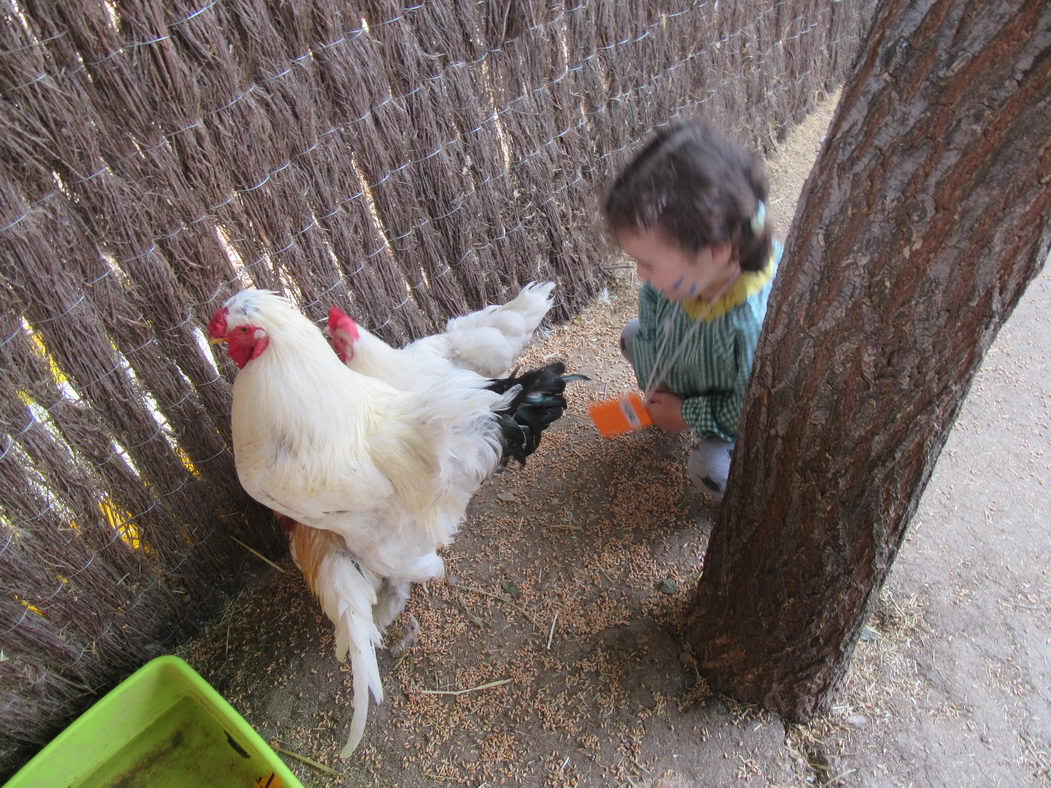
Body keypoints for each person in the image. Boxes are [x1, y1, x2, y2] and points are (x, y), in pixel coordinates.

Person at [604, 118, 781, 502]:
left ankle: (728, 500)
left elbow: (745, 407)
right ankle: (661, 403)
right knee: (634, 335)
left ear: (715, 251)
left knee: (712, 471)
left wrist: (686, 414)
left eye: (648, 263)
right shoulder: (682, 276)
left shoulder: (751, 324)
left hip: (723, 409)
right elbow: (652, 322)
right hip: (683, 368)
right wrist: (660, 390)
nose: (640, 273)